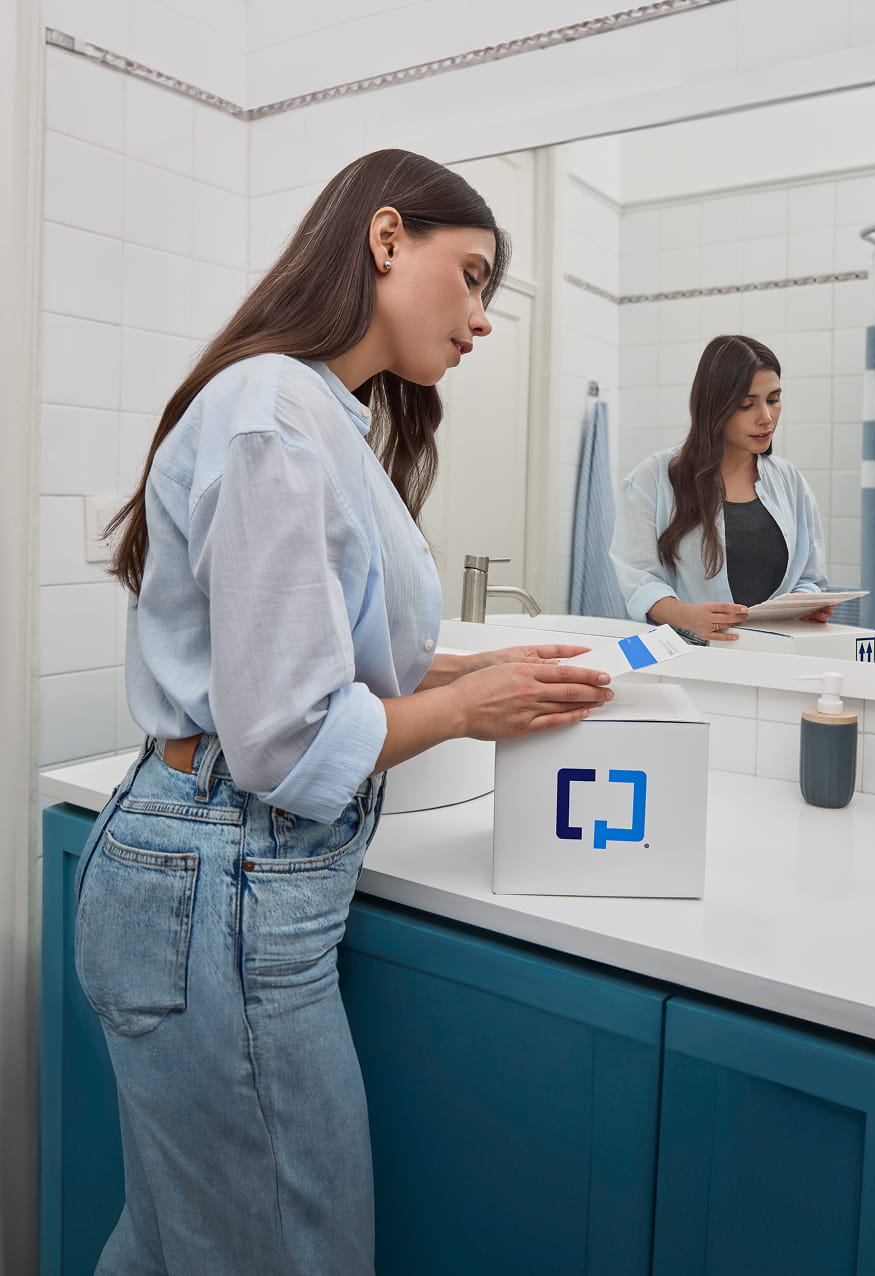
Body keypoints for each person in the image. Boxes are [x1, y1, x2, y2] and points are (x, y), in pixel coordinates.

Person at [73, 149, 613, 1276]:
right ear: (383, 240)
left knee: (182, 1246)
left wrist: (467, 679)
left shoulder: (318, 412)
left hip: (208, 880)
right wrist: (468, 709)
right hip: (221, 890)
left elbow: (309, 677)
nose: (481, 319)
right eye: (470, 276)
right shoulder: (277, 410)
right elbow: (285, 738)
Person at [610, 333, 833, 643]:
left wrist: (805, 605)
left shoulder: (790, 481)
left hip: (774, 656)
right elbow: (637, 578)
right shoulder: (654, 478)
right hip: (684, 656)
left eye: (773, 400)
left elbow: (810, 577)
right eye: (746, 405)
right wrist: (686, 615)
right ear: (715, 407)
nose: (766, 418)